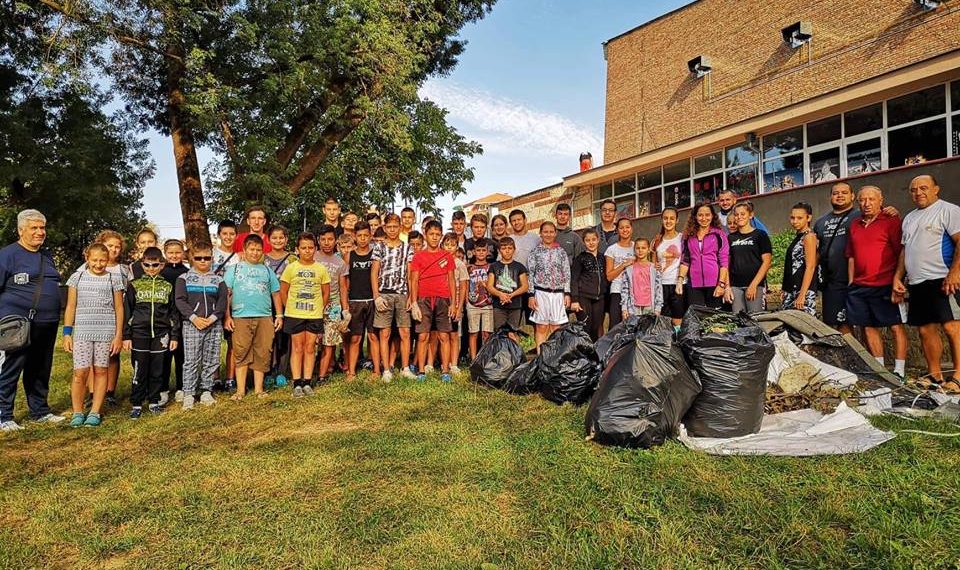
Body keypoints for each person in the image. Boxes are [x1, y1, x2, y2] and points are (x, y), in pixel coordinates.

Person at [894, 175, 960, 391]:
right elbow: (906, 249)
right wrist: (898, 276)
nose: (918, 192)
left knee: (952, 328)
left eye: (924, 188)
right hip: (917, 282)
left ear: (936, 189)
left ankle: (959, 376)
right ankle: (935, 375)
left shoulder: (948, 210)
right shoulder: (910, 218)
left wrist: (954, 273)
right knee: (925, 330)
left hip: (943, 279)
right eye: (913, 189)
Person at [845, 186, 907, 378]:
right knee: (867, 326)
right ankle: (879, 369)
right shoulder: (854, 224)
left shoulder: (891, 221)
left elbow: (902, 252)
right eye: (863, 200)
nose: (867, 203)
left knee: (896, 326)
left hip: (886, 283)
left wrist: (899, 279)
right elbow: (851, 256)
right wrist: (851, 282)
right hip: (860, 285)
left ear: (881, 200)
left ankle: (899, 370)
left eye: (872, 199)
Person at [63, 243, 125, 427]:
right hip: (82, 332)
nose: (99, 264)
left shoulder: (114, 279)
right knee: (80, 372)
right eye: (95, 260)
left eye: (103, 260)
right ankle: (77, 411)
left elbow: (119, 308)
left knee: (100, 370)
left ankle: (95, 411)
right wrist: (67, 333)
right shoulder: (77, 277)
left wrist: (118, 335)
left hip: (106, 332)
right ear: (87, 259)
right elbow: (71, 306)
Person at [223, 234, 283, 399]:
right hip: (240, 317)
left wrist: (279, 315)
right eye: (252, 249)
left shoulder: (266, 270)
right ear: (244, 250)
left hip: (264, 317)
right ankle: (240, 390)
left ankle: (258, 389)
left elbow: (276, 294)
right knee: (241, 352)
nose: (255, 253)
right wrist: (227, 317)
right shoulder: (234, 270)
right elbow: (226, 294)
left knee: (263, 352)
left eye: (258, 250)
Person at [124, 246, 180, 418]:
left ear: (162, 265)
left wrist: (174, 335)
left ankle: (154, 401)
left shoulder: (168, 286)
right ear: (142, 265)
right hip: (139, 333)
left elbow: (173, 312)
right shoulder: (134, 285)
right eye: (147, 265)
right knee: (139, 369)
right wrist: (126, 335)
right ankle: (137, 403)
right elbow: (128, 310)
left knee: (158, 369)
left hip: (161, 334)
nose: (151, 269)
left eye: (155, 265)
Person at [175, 243, 227, 409]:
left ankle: (206, 389)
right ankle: (189, 392)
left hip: (213, 324)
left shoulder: (218, 280)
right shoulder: (184, 278)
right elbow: (180, 300)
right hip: (192, 324)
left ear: (212, 258)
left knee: (211, 358)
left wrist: (212, 318)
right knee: (191, 360)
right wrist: (194, 318)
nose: (203, 261)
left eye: (207, 258)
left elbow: (222, 301)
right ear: (191, 259)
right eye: (199, 258)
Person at [280, 233, 331, 397]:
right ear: (297, 249)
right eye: (304, 248)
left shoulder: (320, 268)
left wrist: (318, 309)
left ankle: (307, 382)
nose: (307, 251)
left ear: (315, 249)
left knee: (310, 347)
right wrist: (290, 308)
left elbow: (325, 293)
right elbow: (283, 291)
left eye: (310, 248)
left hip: (314, 314)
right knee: (297, 347)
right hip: (295, 313)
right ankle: (297, 383)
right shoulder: (291, 268)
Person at [410, 220, 457, 381]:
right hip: (423, 300)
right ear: (425, 235)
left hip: (443, 299)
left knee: (444, 336)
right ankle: (421, 371)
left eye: (438, 234)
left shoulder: (447, 256)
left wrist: (454, 303)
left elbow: (451, 280)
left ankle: (445, 371)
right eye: (431, 234)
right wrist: (414, 302)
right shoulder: (418, 256)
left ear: (441, 236)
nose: (435, 237)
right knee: (423, 336)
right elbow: (414, 280)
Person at [372, 214, 416, 381]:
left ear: (400, 227)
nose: (392, 230)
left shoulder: (407, 248)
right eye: (389, 227)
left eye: (395, 227)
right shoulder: (379, 247)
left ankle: (405, 367)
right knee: (385, 333)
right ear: (385, 227)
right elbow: (374, 272)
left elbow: (410, 273)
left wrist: (412, 296)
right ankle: (386, 370)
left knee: (405, 332)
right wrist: (376, 296)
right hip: (384, 293)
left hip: (402, 293)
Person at [92, 230, 132, 406]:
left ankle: (109, 391)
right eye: (110, 246)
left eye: (117, 246)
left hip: (116, 315)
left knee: (112, 354)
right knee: (93, 356)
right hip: (94, 315)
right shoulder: (90, 266)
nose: (114, 250)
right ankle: (92, 392)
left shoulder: (124, 269)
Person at [814, 183, 858, 332]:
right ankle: (846, 355)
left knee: (864, 325)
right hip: (831, 282)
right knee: (835, 323)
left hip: (856, 280)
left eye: (844, 192)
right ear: (830, 197)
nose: (839, 195)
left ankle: (865, 355)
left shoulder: (859, 216)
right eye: (835, 193)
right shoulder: (820, 223)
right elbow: (816, 252)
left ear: (852, 196)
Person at [343, 221, 380, 380]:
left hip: (372, 300)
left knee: (373, 337)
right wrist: (345, 306)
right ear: (354, 237)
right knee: (356, 338)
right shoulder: (348, 256)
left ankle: (377, 371)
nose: (363, 238)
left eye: (366, 235)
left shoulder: (376, 254)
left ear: (371, 236)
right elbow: (344, 283)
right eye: (359, 236)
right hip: (355, 302)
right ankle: (351, 372)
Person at [676, 202, 730, 310]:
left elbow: (724, 261)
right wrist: (680, 280)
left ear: (712, 216)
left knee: (715, 320)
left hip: (714, 283)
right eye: (700, 215)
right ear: (695, 217)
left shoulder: (719, 234)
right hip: (694, 285)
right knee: (697, 318)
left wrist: (721, 284)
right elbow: (685, 260)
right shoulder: (688, 236)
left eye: (707, 215)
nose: (704, 218)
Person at [527, 221, 571, 351]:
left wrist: (567, 293)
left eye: (551, 232)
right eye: (545, 232)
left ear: (555, 233)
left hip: (558, 293)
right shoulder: (535, 252)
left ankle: (553, 358)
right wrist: (531, 295)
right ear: (540, 233)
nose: (548, 234)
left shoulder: (561, 252)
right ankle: (541, 358)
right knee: (541, 326)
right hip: (541, 292)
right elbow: (530, 273)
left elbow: (566, 273)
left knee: (556, 327)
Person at [725, 202, 772, 314]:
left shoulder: (760, 235)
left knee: (755, 320)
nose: (739, 217)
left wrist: (754, 285)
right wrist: (727, 287)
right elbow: (726, 264)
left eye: (743, 214)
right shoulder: (730, 238)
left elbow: (767, 262)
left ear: (750, 215)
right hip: (735, 286)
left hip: (755, 285)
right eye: (736, 214)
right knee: (739, 321)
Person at [316, 225, 349, 385]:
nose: (327, 243)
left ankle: (323, 374)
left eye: (330, 239)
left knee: (329, 341)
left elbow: (343, 287)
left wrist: (345, 309)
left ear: (336, 241)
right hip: (314, 305)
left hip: (333, 306)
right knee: (314, 341)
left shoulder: (340, 262)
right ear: (318, 241)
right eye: (323, 239)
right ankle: (309, 372)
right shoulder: (313, 257)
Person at [264, 225, 297, 386]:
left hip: (287, 303)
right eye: (274, 238)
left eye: (281, 237)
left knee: (284, 339)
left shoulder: (293, 259)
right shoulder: (262, 259)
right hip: (266, 305)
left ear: (286, 239)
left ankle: (282, 372)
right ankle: (268, 371)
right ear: (268, 239)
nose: (278, 240)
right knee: (268, 340)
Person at [160, 239, 189, 405]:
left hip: (183, 320)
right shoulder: (160, 273)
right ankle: (163, 389)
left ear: (183, 253)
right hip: (164, 322)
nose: (174, 255)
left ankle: (181, 387)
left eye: (178, 252)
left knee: (182, 357)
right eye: (171, 253)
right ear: (165, 254)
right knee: (164, 357)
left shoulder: (187, 273)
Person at [213, 219, 239, 391]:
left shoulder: (240, 256)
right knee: (214, 343)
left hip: (234, 303)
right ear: (219, 235)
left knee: (233, 343)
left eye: (231, 234)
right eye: (225, 234)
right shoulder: (210, 254)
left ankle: (230, 378)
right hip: (213, 304)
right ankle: (214, 378)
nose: (228, 237)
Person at [781, 202, 819, 315]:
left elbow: (810, 267)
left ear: (809, 218)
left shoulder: (809, 237)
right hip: (792, 289)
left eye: (799, 218)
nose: (795, 221)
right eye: (792, 218)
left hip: (802, 290)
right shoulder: (798, 237)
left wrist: (802, 295)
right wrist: (785, 289)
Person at [570, 229, 606, 341]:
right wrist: (574, 299)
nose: (591, 243)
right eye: (588, 240)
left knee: (596, 327)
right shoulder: (580, 258)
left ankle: (594, 353)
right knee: (586, 326)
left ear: (598, 240)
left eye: (593, 240)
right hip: (584, 297)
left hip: (599, 298)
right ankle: (584, 354)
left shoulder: (602, 258)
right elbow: (574, 279)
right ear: (583, 242)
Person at [652, 207, 685, 328]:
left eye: (672, 218)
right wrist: (655, 265)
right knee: (663, 320)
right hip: (661, 285)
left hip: (678, 284)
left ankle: (677, 343)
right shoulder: (657, 240)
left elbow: (686, 260)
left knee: (678, 320)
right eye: (665, 218)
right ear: (661, 220)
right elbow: (654, 262)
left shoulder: (682, 238)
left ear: (677, 220)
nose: (668, 221)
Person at [443, 234, 470, 373]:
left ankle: (454, 364)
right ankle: (444, 362)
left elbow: (464, 286)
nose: (449, 247)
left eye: (452, 245)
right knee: (443, 335)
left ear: (457, 247)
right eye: (447, 244)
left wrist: (459, 308)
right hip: (442, 304)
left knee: (454, 335)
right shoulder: (440, 262)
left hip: (456, 304)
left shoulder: (459, 264)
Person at [619, 238, 662, 318]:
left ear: (648, 250)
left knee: (647, 329)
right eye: (638, 248)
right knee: (634, 329)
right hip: (633, 307)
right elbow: (625, 289)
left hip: (650, 306)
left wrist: (658, 308)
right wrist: (624, 308)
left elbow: (658, 289)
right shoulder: (629, 269)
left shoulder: (654, 268)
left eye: (643, 248)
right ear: (634, 250)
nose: (640, 250)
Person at [604, 218, 635, 329]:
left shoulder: (637, 247)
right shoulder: (612, 249)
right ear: (617, 230)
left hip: (634, 291)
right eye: (621, 228)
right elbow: (609, 276)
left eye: (627, 227)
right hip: (617, 290)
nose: (625, 230)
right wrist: (623, 265)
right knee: (615, 326)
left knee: (632, 326)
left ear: (631, 229)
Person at [465, 239, 494, 360]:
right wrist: (466, 300)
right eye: (478, 250)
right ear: (473, 252)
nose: (481, 253)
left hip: (488, 303)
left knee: (487, 333)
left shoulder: (492, 267)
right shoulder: (469, 267)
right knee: (473, 333)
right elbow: (465, 284)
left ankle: (485, 358)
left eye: (483, 250)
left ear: (487, 252)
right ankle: (473, 359)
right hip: (473, 303)